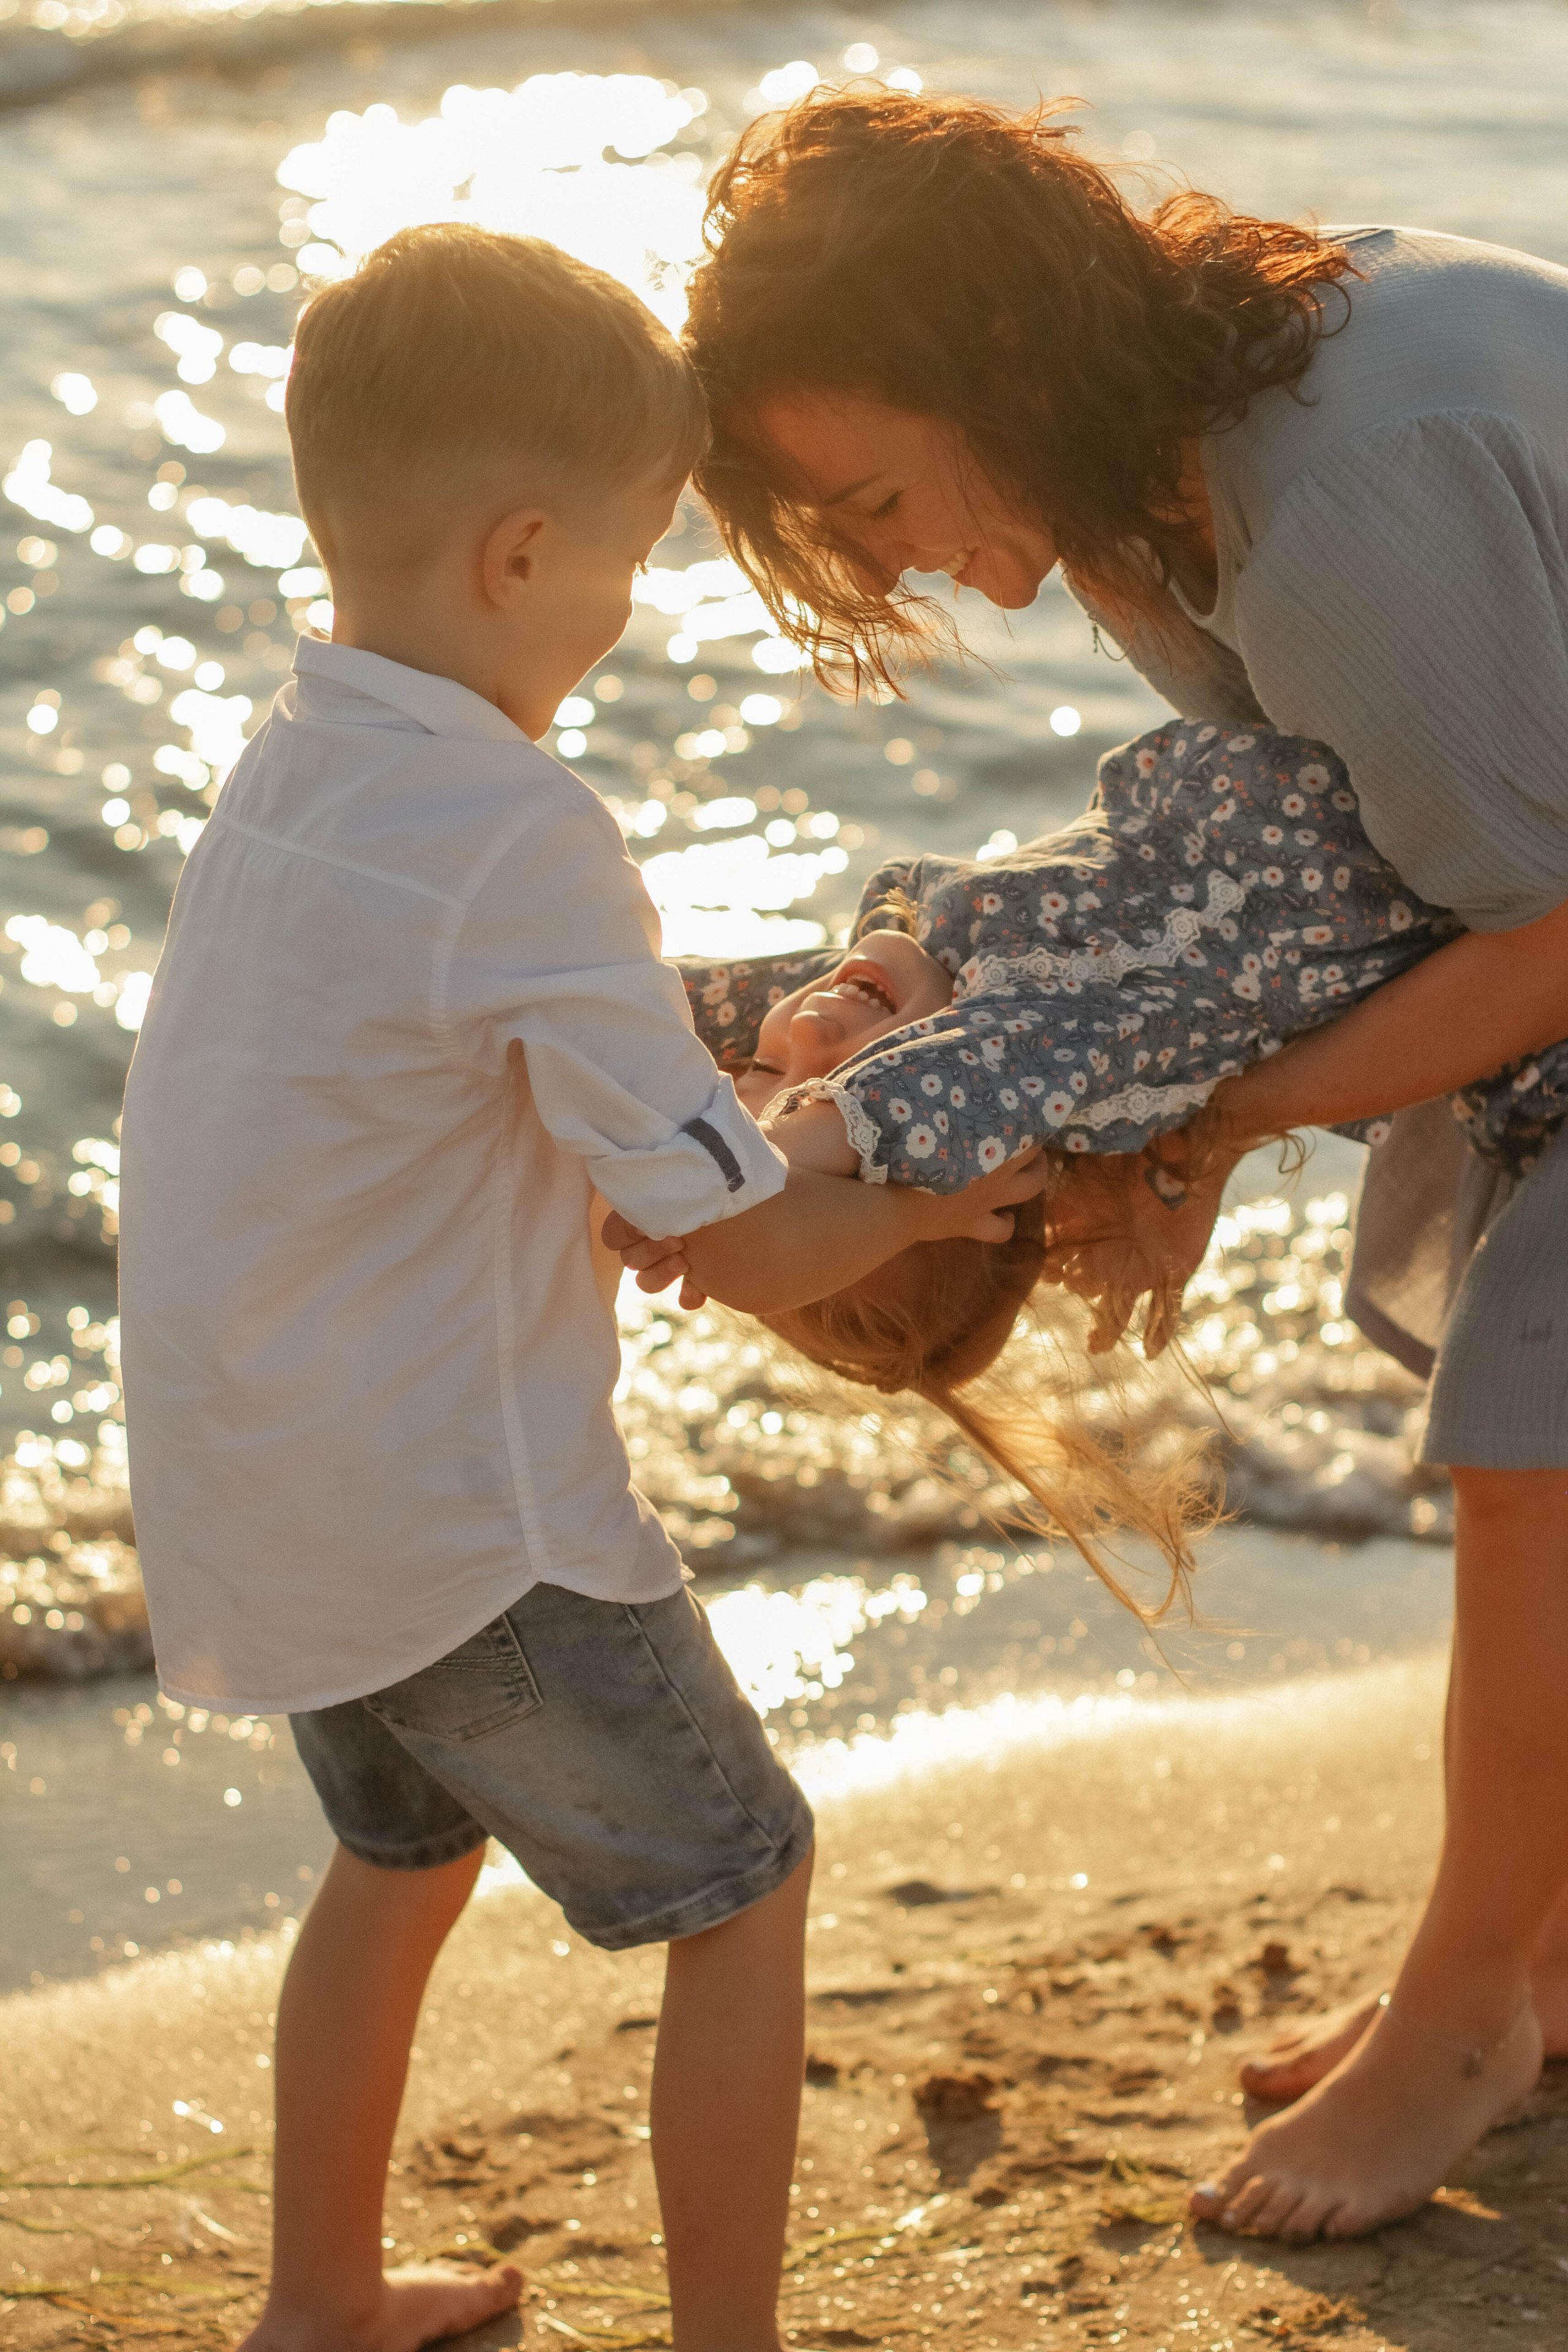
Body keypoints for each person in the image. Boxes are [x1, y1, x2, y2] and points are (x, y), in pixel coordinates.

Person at [118, 222, 1040, 2352]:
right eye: (626, 572)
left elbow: (417, 1094)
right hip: (476, 1529)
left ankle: (319, 2301)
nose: (622, 627)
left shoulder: (290, 775)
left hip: (274, 1510)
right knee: (749, 1880)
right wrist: (938, 1204)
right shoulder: (518, 830)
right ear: (524, 553)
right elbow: (756, 1239)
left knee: (400, 1865)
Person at [669, 83, 1568, 2239]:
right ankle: (1543, 1950)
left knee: (1535, 1441)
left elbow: (1543, 927)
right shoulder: (1169, 441)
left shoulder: (1330, 496)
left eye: (880, 494)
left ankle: (1467, 2020)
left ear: (998, 357)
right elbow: (1306, 873)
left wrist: (1212, 1120)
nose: (893, 565)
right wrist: (968, 1010)